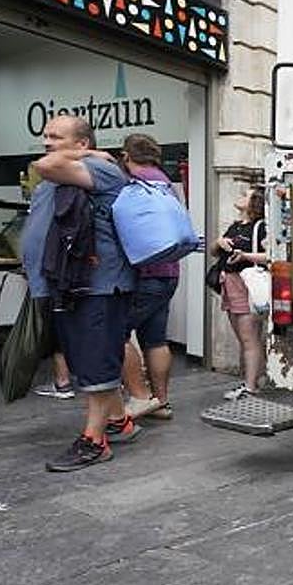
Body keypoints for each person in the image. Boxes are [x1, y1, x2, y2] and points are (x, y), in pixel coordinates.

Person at [20, 116, 141, 471]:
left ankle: (94, 440)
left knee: (95, 361)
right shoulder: (68, 171)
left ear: (83, 143)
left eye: (55, 136)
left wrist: (93, 154)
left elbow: (45, 165)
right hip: (68, 284)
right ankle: (118, 421)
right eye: (44, 135)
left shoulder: (98, 169)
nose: (46, 142)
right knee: (86, 356)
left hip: (97, 284)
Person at [118, 133, 181, 421]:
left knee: (113, 333)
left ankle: (140, 397)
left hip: (144, 275)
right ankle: (162, 402)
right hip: (169, 272)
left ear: (127, 155)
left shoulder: (134, 185)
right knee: (155, 339)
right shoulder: (166, 184)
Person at [214, 186, 268, 401]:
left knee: (249, 338)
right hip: (229, 284)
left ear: (254, 203)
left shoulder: (260, 227)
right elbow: (213, 251)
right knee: (243, 337)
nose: (241, 195)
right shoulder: (235, 226)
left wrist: (245, 255)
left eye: (246, 194)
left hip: (246, 285)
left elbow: (271, 255)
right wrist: (218, 242)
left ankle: (251, 386)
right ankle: (256, 378)